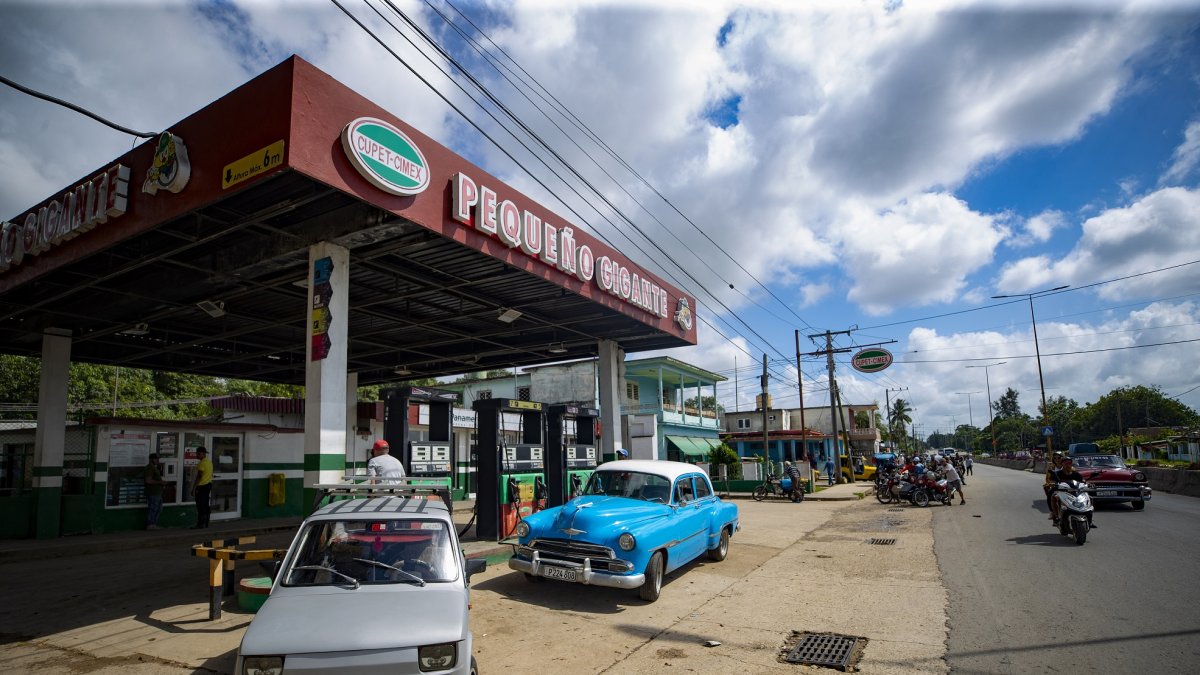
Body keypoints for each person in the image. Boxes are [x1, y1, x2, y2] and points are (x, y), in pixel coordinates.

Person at [1046, 456, 1087, 526]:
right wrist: (1053, 483)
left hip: (1074, 492)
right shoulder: (1057, 473)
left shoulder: (1075, 473)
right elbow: (1051, 480)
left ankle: (1089, 518)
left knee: (1089, 497)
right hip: (1062, 492)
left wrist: (1086, 483)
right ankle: (1055, 516)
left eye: (1069, 463)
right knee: (1052, 496)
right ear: (1062, 464)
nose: (1068, 465)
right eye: (1066, 463)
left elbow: (1082, 480)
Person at [190, 447, 212, 529]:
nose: (197, 455)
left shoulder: (202, 463)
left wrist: (193, 488)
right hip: (208, 485)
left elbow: (199, 476)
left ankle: (200, 524)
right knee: (205, 504)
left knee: (200, 505)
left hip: (202, 486)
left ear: (203, 454)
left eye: (198, 453)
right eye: (197, 453)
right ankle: (206, 523)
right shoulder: (209, 462)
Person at [143, 453, 166, 530]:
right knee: (153, 508)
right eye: (156, 459)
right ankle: (150, 524)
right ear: (151, 459)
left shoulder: (154, 468)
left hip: (157, 492)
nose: (157, 460)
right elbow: (148, 480)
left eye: (158, 459)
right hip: (153, 492)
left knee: (158, 508)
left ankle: (153, 524)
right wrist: (160, 482)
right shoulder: (150, 468)